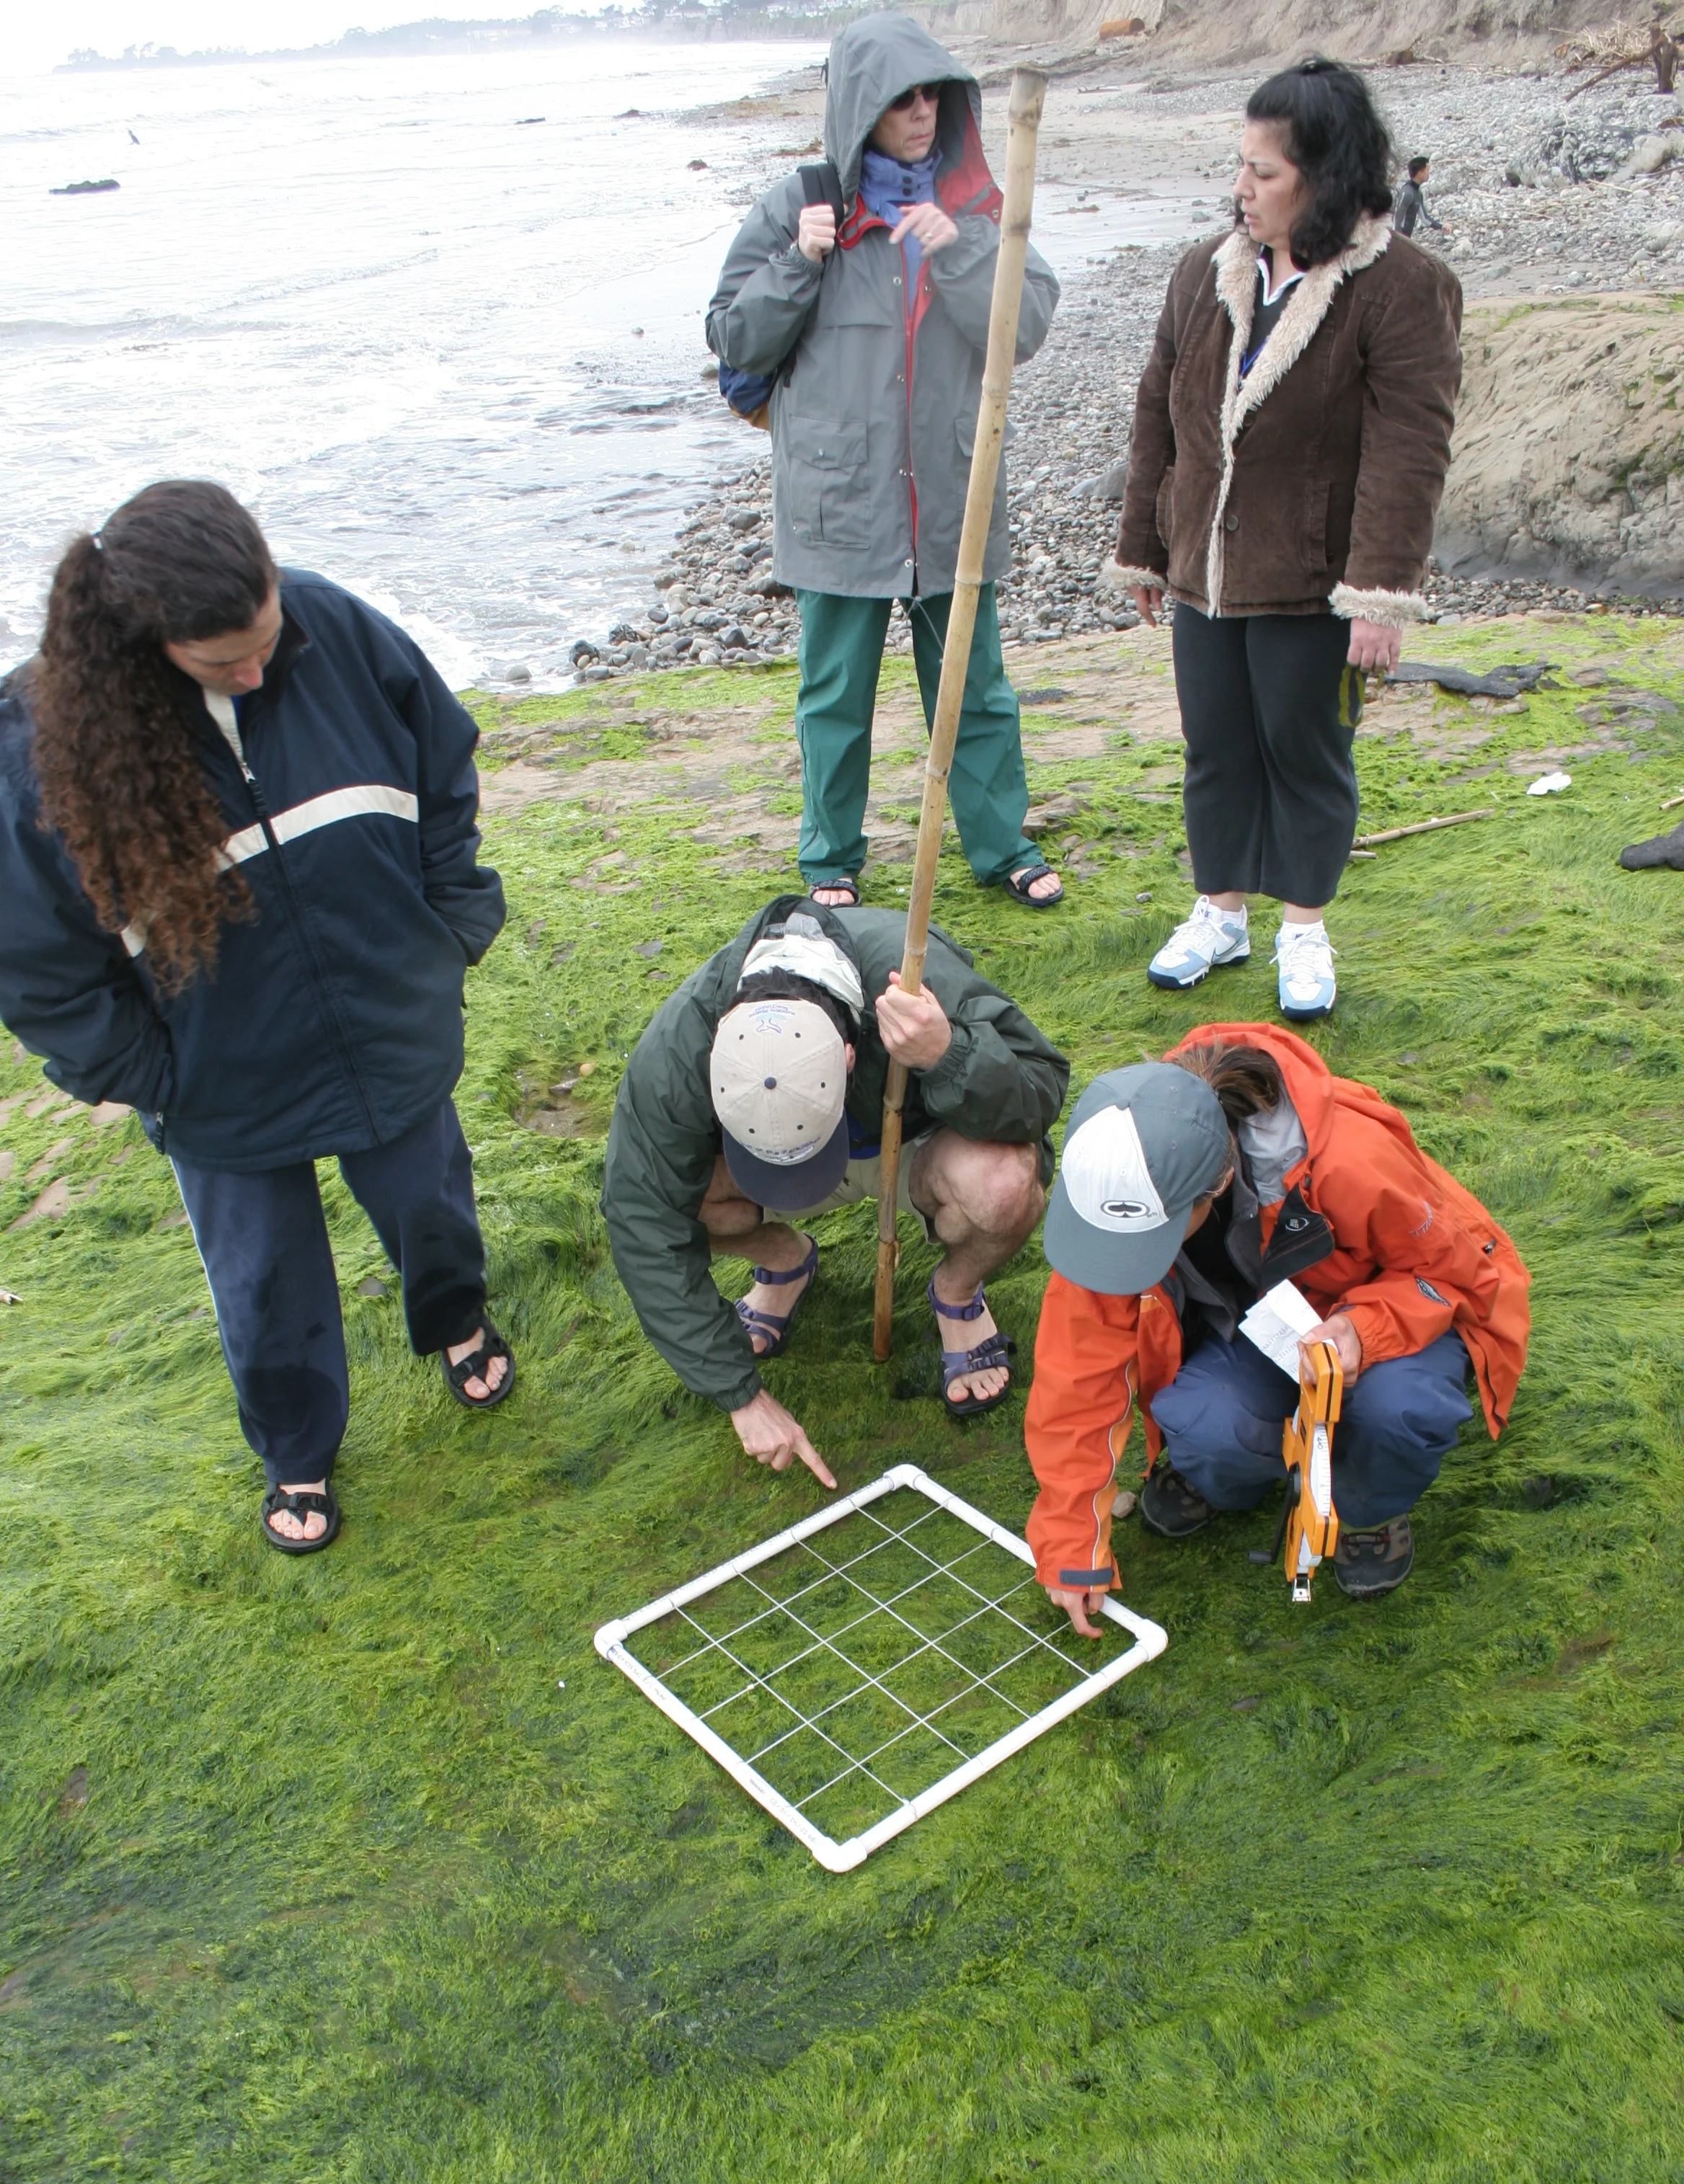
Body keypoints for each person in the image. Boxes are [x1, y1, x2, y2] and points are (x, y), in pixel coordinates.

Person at [0, 481, 511, 1555]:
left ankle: (455, 1321)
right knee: (263, 1280)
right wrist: (152, 1073)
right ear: (146, 643)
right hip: (214, 1073)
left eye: (267, 634)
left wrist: (450, 924)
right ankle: (297, 1448)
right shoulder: (42, 744)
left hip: (385, 1013)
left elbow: (442, 769)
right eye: (221, 660)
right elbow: (34, 958)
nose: (257, 669)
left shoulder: (335, 627)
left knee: (430, 1204)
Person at [1109, 59, 1463, 1018]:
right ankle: (1220, 913)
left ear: (1325, 174)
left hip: (1315, 579)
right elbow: (1160, 416)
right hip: (1206, 571)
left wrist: (1381, 593)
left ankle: (1302, 930)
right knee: (1216, 747)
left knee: (1306, 750)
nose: (1243, 188)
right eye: (1242, 168)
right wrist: (1146, 545)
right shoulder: (1204, 271)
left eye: (1264, 172)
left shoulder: (1402, 287)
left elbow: (1409, 448)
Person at [706, 11, 1064, 913]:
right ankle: (830, 859)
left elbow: (1022, 326)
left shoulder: (972, 209)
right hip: (839, 501)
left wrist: (967, 250)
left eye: (933, 97)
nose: (921, 114)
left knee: (974, 686)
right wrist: (802, 258)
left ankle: (1001, 847)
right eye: (901, 98)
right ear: (859, 106)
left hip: (951, 492)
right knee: (834, 697)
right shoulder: (797, 205)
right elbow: (732, 333)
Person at [1024, 1025, 1529, 1615]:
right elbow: (1076, 1377)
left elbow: (1455, 1277)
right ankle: (1228, 1477)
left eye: (1149, 1244)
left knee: (1399, 1413)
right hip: (1260, 1325)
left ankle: (1368, 1509)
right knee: (1202, 1423)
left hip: (1397, 1314)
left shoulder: (1352, 1160)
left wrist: (1363, 1331)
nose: (1126, 1266)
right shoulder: (1117, 1185)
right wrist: (1071, 1545)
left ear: (1216, 1185)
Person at [601, 897, 1068, 1481]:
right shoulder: (678, 1050)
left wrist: (948, 1056)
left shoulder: (915, 975)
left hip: (920, 1146)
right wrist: (742, 1396)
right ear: (717, 1050)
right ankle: (785, 1262)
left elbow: (1043, 1089)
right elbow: (641, 1217)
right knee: (676, 1198)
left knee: (1003, 1184)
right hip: (757, 1170)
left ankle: (958, 1291)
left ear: (849, 1057)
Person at [1392, 154, 1445, 239]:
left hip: (1406, 240)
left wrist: (1441, 227)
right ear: (1420, 173)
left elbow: (1424, 219)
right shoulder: (1407, 193)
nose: (1429, 173)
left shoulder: (1417, 193)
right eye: (1427, 170)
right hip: (1398, 241)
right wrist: (1397, 243)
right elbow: (1396, 221)